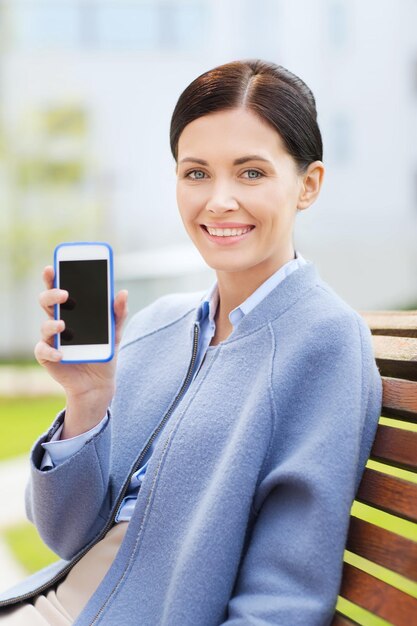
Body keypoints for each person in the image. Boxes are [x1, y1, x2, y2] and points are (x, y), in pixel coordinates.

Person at [0, 59, 383, 625]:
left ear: (308, 184)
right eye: (196, 173)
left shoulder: (323, 342)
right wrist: (86, 402)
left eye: (251, 173)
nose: (218, 200)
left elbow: (284, 601)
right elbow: (62, 534)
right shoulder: (161, 325)